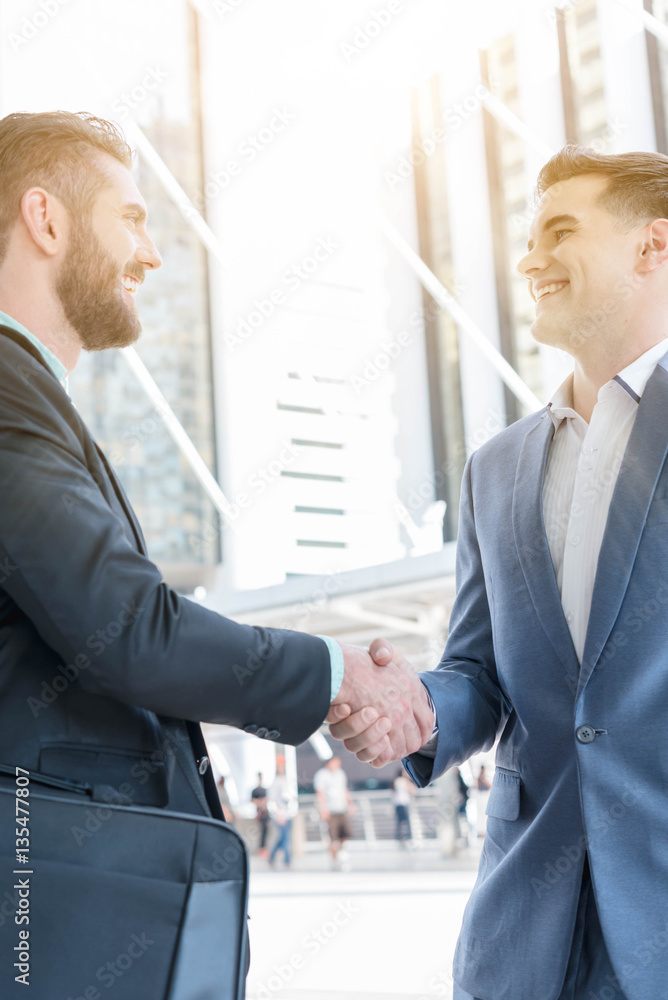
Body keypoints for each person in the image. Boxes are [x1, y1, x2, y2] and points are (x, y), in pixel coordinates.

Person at [0, 110, 434, 990]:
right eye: (131, 216)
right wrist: (337, 673)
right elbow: (123, 630)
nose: (151, 253)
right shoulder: (9, 391)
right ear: (46, 220)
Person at [328, 145, 668, 999]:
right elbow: (481, 672)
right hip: (528, 925)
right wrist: (417, 713)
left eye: (561, 231)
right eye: (528, 237)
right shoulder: (496, 467)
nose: (530, 259)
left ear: (651, 247)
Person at [314, 755, 355, 869]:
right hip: (330, 811)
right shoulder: (321, 775)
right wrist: (323, 809)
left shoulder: (340, 774)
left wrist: (350, 804)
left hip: (341, 808)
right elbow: (320, 794)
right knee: (333, 837)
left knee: (346, 833)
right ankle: (334, 858)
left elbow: (344, 790)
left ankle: (339, 853)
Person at [267, 756, 298, 868]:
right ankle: (287, 861)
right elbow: (273, 800)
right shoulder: (275, 782)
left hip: (288, 814)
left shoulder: (286, 780)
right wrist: (278, 814)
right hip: (280, 815)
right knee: (285, 838)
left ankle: (271, 857)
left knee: (283, 837)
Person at [392, 767, 414, 846]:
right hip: (402, 804)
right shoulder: (402, 781)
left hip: (398, 804)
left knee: (400, 822)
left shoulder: (397, 781)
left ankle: (400, 839)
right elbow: (413, 789)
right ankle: (407, 838)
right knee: (406, 822)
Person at [251, 771, 270, 857]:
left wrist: (263, 804)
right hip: (259, 814)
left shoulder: (264, 790)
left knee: (266, 830)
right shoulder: (255, 790)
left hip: (265, 813)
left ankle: (263, 848)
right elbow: (253, 800)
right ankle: (260, 848)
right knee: (259, 831)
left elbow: (267, 799)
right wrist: (260, 803)